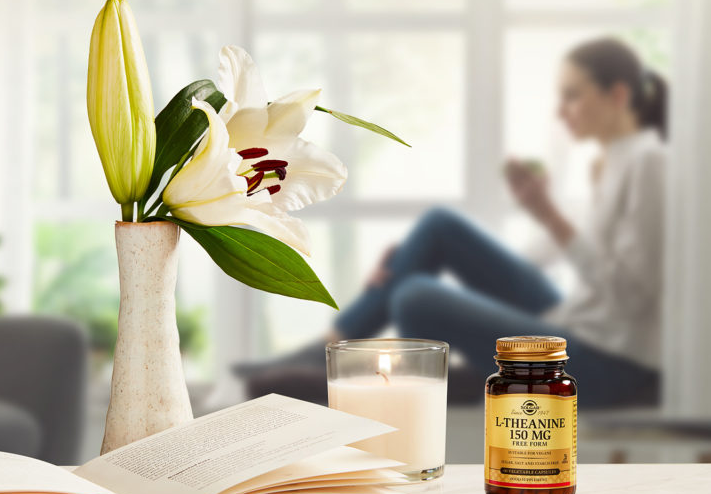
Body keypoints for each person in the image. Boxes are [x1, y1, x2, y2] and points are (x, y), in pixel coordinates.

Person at [236, 37, 668, 408]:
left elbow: (632, 296)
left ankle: (344, 364)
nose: (561, 111)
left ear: (618, 95)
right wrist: (404, 263)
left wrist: (550, 216)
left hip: (608, 364)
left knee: (415, 298)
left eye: (573, 95)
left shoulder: (648, 164)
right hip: (577, 325)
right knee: (439, 229)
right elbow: (561, 255)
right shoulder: (610, 163)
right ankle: (331, 345)